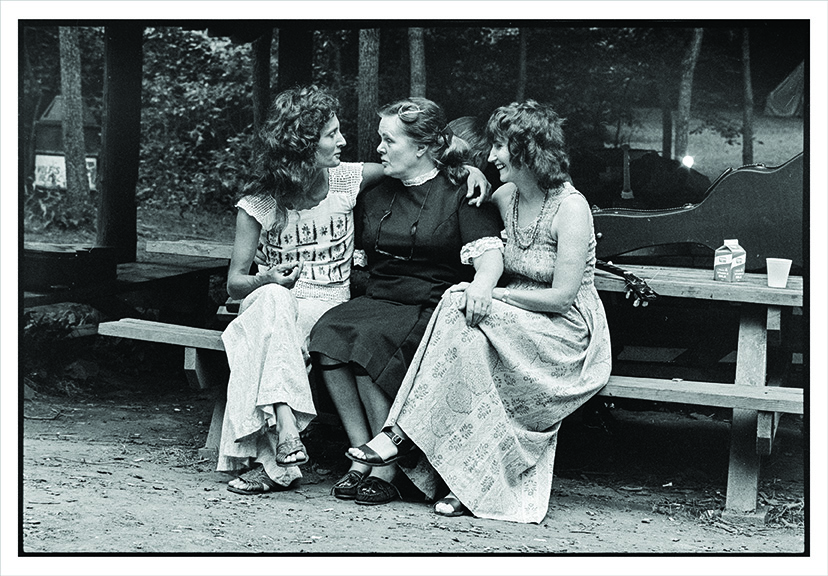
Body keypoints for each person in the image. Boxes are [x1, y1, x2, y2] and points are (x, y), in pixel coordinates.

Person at [346, 100, 613, 523]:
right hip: (511, 321)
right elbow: (452, 165)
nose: (490, 158)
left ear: (527, 152)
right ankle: (460, 482)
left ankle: (400, 433)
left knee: (458, 301)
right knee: (469, 341)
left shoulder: (571, 207)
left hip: (563, 330)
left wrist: (494, 295)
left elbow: (563, 298)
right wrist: (467, 172)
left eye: (500, 149)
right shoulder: (503, 194)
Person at [217, 86, 491, 495]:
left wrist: (468, 167)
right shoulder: (273, 200)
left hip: (372, 302)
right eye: (332, 134)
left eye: (386, 140)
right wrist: (268, 279)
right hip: (298, 300)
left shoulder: (353, 179)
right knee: (297, 319)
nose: (350, 142)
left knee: (307, 335)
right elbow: (236, 283)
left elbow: (429, 168)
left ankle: (321, 461)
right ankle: (323, 442)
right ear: (304, 143)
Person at [308, 97, 505, 506]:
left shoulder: (460, 193)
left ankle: (387, 468)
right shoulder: (379, 192)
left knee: (369, 341)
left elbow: (489, 255)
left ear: (421, 147)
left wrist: (482, 286)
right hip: (381, 296)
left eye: (388, 141)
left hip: (429, 303)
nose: (379, 149)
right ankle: (360, 454)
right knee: (328, 332)